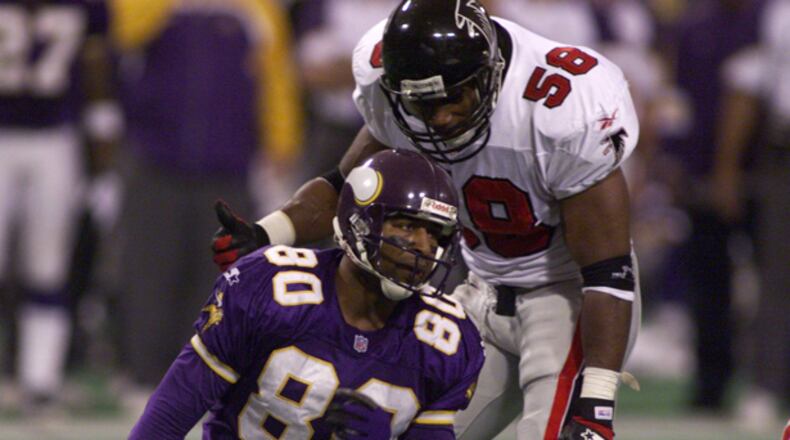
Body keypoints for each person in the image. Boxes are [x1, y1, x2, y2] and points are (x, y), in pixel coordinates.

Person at [213, 1, 641, 438]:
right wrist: (269, 231)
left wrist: (597, 401)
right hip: (480, 291)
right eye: (423, 103)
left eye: (452, 96)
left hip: (566, 300)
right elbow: (348, 189)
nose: (439, 117)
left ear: (488, 73)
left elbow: (607, 272)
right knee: (399, 427)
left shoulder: (564, 109)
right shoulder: (391, 90)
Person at [130, 149, 484, 439]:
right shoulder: (266, 288)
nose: (424, 247)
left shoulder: (447, 341)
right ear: (359, 223)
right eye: (407, 226)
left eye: (436, 234)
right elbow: (166, 420)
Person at [111, 0, 303, 395]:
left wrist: (282, 141)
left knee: (216, 276)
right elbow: (124, 33)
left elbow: (277, 74)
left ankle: (200, 375)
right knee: (149, 269)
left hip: (228, 164)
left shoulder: (256, 8)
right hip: (155, 159)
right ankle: (144, 372)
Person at [0, 0, 116, 409]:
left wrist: (102, 121)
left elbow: (97, 59)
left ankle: (40, 381)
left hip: (56, 138)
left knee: (48, 265)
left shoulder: (88, 8)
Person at [712, 0, 790, 429]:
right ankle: (767, 385)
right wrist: (728, 166)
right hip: (784, 149)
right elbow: (750, 82)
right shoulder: (776, 11)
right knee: (776, 277)